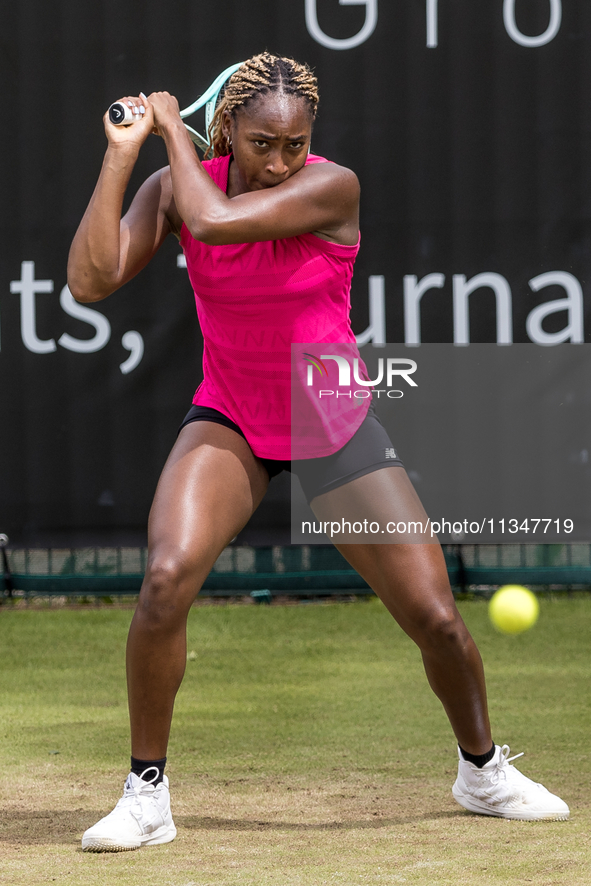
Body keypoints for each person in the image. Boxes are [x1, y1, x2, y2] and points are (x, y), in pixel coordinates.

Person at [67, 53, 569, 852]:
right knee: (164, 580)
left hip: (329, 422)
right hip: (230, 414)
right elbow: (90, 282)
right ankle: (146, 794)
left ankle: (480, 770)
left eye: (293, 144)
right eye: (262, 144)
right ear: (227, 128)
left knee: (437, 620)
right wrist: (124, 156)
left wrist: (170, 134)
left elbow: (215, 224)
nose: (278, 162)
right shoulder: (177, 186)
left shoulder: (331, 188)